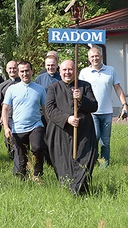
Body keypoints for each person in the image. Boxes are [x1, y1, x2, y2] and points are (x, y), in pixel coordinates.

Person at [46, 60, 98, 194]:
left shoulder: (85, 86)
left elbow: (94, 106)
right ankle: (68, 189)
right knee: (63, 160)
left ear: (75, 71)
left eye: (70, 70)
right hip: (61, 130)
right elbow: (50, 110)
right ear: (59, 71)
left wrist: (81, 98)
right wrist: (67, 118)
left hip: (84, 131)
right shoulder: (54, 87)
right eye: (64, 70)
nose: (67, 73)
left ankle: (81, 190)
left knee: (85, 158)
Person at [79, 47, 128, 167]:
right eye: (92, 57)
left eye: (97, 56)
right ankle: (92, 161)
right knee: (94, 138)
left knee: (105, 141)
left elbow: (117, 88)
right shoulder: (84, 72)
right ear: (89, 59)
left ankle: (104, 165)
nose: (95, 58)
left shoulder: (110, 70)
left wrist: (124, 105)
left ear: (101, 56)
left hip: (107, 112)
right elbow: (80, 92)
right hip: (91, 112)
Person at [2, 61, 46, 181]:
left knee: (37, 148)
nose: (25, 73)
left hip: (36, 125)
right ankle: (23, 178)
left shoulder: (40, 89)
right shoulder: (12, 89)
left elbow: (45, 109)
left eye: (27, 71)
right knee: (21, 157)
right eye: (22, 71)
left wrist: (50, 125)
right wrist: (6, 128)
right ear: (18, 72)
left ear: (32, 71)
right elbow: (5, 109)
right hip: (18, 128)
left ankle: (37, 175)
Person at [0, 60, 20, 172]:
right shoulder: (3, 85)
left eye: (14, 68)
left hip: (22, 118)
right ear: (6, 70)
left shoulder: (24, 83)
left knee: (20, 143)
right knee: (10, 142)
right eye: (10, 68)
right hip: (9, 118)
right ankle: (14, 160)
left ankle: (20, 164)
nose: (12, 70)